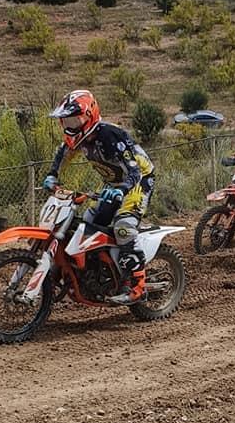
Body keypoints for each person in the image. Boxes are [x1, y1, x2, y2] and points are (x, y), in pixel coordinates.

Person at [43, 90, 155, 305]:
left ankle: (137, 286)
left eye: (75, 120)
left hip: (137, 182)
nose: (70, 125)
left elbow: (134, 171)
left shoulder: (109, 136)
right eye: (67, 121)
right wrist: (52, 175)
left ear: (89, 115)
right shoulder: (80, 139)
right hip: (112, 183)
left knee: (123, 228)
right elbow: (63, 152)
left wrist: (122, 190)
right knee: (88, 225)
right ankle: (98, 271)